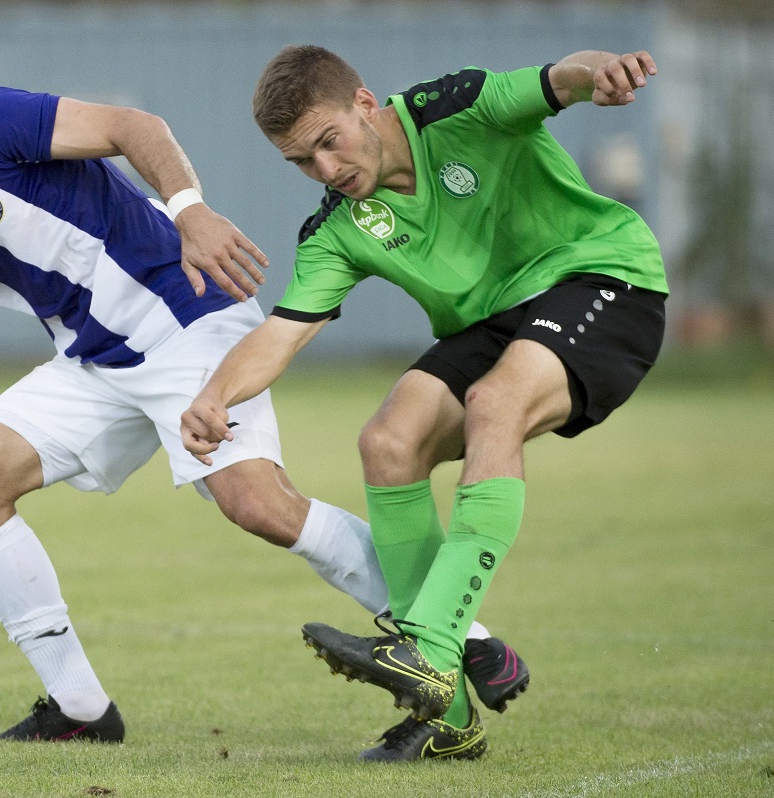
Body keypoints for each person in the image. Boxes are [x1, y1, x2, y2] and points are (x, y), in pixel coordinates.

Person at [0, 53, 528, 746]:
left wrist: (189, 210)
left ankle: (466, 636)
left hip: (186, 313)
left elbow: (133, 127)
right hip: (94, 358)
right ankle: (80, 711)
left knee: (258, 505)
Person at [182, 46, 668, 762]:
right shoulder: (338, 229)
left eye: (328, 142)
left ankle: (432, 648)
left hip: (604, 276)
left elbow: (556, 81)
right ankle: (451, 718)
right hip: (495, 321)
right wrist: (215, 395)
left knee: (493, 402)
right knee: (388, 441)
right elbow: (281, 335)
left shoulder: (456, 106)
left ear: (365, 103)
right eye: (301, 162)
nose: (325, 170)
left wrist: (600, 76)